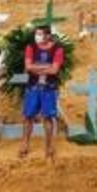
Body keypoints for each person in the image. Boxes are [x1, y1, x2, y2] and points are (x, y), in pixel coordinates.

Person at [20, 25, 63, 159]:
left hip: (49, 88)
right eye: (36, 34)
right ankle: (25, 144)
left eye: (40, 34)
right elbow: (28, 67)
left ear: (48, 36)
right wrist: (47, 66)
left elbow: (55, 70)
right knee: (28, 117)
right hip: (33, 86)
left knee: (47, 117)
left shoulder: (58, 49)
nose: (37, 37)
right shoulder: (30, 47)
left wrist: (36, 67)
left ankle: (48, 146)